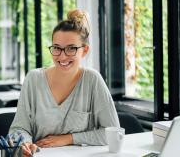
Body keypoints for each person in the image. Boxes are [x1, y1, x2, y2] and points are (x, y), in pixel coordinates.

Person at [9, 9, 120, 156]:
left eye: (71, 49)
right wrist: (24, 143)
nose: (62, 56)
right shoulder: (33, 79)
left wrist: (69, 139)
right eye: (57, 48)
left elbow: (113, 133)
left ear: (84, 50)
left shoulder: (92, 80)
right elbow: (18, 128)